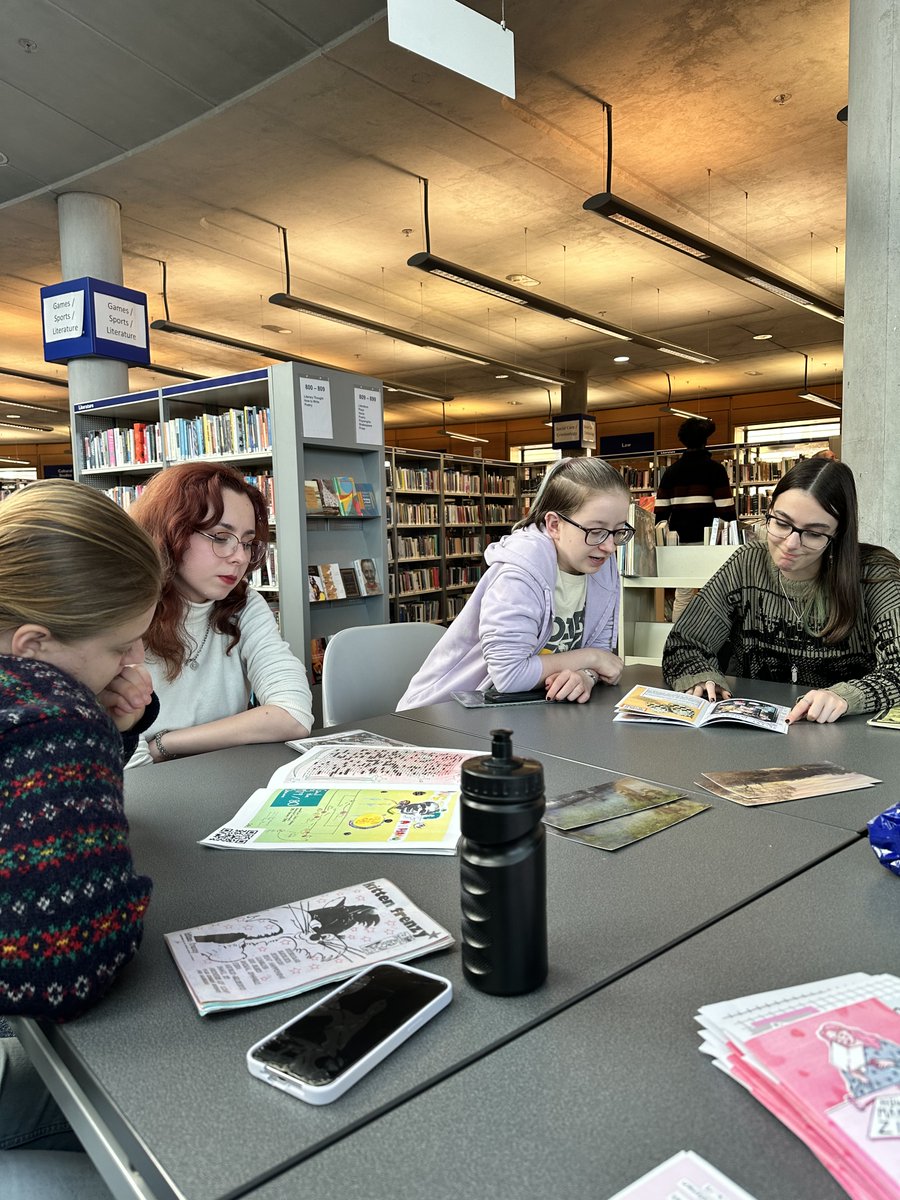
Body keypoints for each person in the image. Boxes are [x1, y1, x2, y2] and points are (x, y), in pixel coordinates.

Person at [0, 479, 162, 1197]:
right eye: (122, 648)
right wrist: (89, 735)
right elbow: (67, 965)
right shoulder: (47, 715)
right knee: (164, 1127)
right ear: (33, 646)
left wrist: (113, 740)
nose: (134, 668)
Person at [662, 458, 900, 723]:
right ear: (769, 511)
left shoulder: (876, 573)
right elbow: (685, 642)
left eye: (814, 533)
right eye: (781, 523)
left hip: (848, 736)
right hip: (750, 732)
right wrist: (700, 674)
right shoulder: (747, 563)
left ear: (839, 535)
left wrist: (847, 696)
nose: (791, 543)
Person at [398, 457, 632, 709]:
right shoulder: (518, 574)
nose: (609, 547)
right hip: (446, 713)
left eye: (618, 531)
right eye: (596, 531)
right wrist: (592, 659)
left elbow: (601, 655)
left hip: (524, 711)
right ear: (555, 525)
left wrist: (585, 676)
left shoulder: (601, 565)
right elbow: (509, 676)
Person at [125, 462, 313, 766]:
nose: (239, 557)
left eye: (248, 543)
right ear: (171, 531)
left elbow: (294, 714)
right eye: (221, 537)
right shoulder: (125, 611)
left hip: (227, 775)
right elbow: (131, 766)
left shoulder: (243, 604)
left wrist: (165, 743)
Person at [654, 417, 737, 622]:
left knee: (682, 593)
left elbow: (661, 512)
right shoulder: (715, 470)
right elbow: (726, 510)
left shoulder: (671, 472)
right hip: (709, 541)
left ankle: (677, 638)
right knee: (714, 591)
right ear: (705, 441)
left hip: (680, 542)